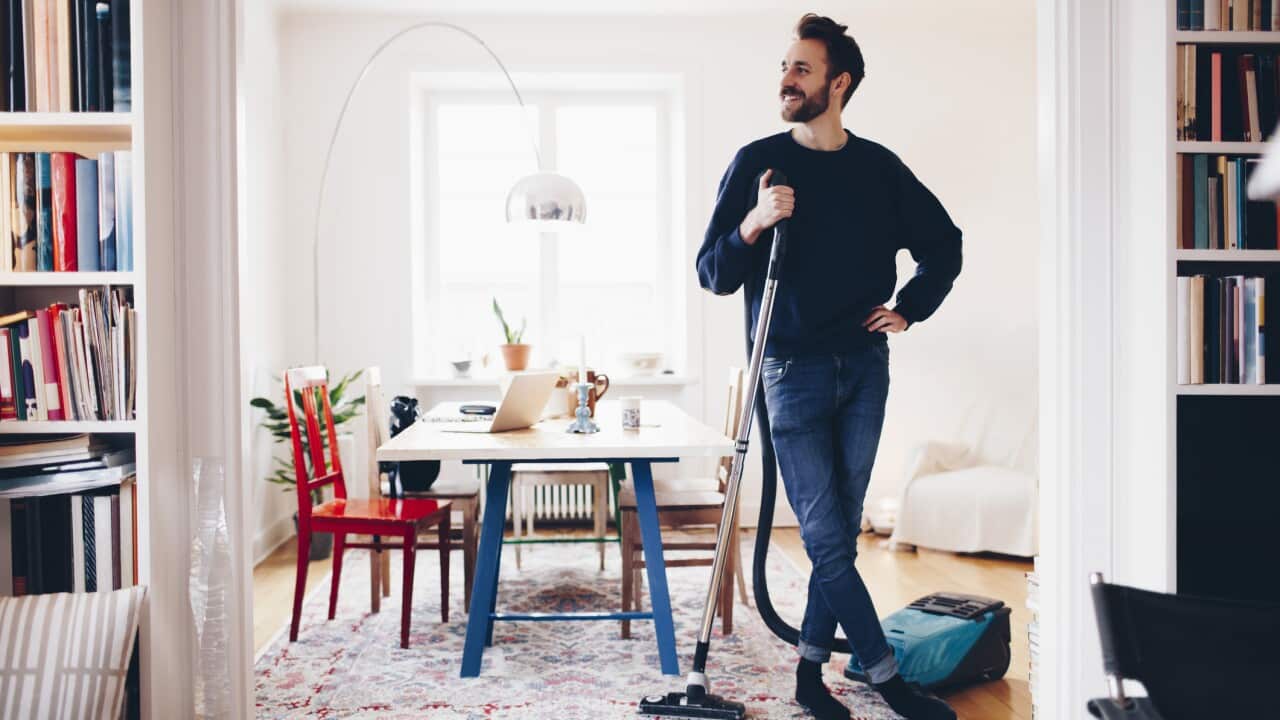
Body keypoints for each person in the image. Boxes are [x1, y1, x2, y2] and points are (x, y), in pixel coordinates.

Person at [696, 13, 963, 720]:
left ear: (838, 83)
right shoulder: (760, 163)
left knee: (837, 534)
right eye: (785, 67)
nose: (787, 78)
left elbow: (945, 243)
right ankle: (885, 673)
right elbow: (713, 273)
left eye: (803, 68)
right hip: (789, 371)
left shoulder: (878, 168)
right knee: (823, 535)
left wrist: (910, 306)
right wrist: (753, 222)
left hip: (864, 367)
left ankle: (810, 675)